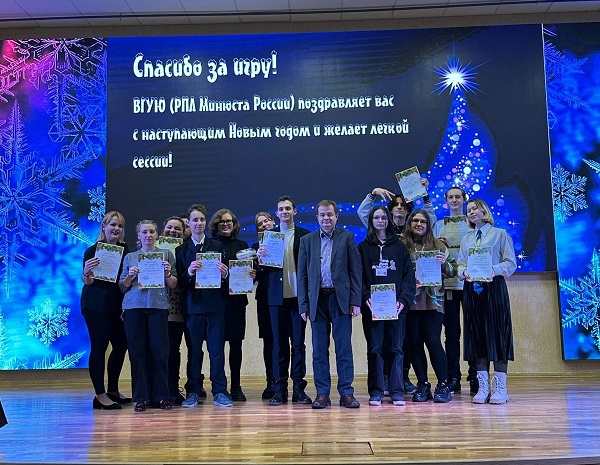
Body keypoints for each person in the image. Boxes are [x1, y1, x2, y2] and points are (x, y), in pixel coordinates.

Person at [357, 181, 434, 395]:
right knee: (377, 345)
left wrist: (424, 195)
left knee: (401, 343)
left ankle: (400, 381)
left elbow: (430, 220)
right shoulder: (366, 244)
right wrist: (372, 193)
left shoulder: (407, 236)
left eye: (403, 205)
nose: (399, 208)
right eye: (395, 205)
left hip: (402, 300)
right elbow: (364, 213)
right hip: (375, 302)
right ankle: (381, 383)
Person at [298, 199, 362, 409]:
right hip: (317, 301)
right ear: (317, 217)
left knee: (344, 349)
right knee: (319, 350)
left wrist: (356, 301)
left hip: (340, 299)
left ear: (336, 216)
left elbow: (355, 272)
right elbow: (302, 276)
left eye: (330, 214)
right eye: (322, 215)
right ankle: (322, 394)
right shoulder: (307, 241)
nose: (326, 218)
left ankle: (346, 393)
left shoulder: (347, 237)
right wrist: (303, 305)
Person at [457, 198, 516, 405]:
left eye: (475, 208)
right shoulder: (467, 239)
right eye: (468, 210)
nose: (471, 212)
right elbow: (460, 264)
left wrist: (493, 270)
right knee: (477, 335)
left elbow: (510, 263)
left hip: (494, 288)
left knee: (498, 334)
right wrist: (464, 272)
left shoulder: (500, 234)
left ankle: (501, 388)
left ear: (484, 211)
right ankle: (483, 387)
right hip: (472, 289)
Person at [176, 204, 233, 407]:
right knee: (194, 351)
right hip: (193, 308)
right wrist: (190, 272)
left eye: (201, 219)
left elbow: (226, 279)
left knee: (216, 351)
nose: (199, 223)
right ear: (189, 224)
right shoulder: (181, 250)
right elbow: (180, 283)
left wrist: (225, 273)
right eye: (195, 220)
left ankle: (220, 391)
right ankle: (193, 390)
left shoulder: (216, 246)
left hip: (215, 306)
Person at [358, 206, 416, 406]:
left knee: (396, 348)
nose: (380, 221)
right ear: (371, 221)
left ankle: (397, 391)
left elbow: (408, 277)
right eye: (376, 217)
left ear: (388, 220)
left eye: (384, 217)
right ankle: (376, 391)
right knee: (375, 348)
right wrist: (365, 297)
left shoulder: (399, 247)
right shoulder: (363, 248)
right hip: (372, 307)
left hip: (396, 308)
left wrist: (403, 300)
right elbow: (358, 277)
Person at [257, 196, 312, 406]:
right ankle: (279, 389)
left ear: (294, 211)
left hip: (298, 299)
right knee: (278, 345)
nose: (284, 212)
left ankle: (299, 389)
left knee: (298, 345)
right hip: (276, 299)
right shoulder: (269, 237)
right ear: (277, 213)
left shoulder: (305, 235)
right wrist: (260, 259)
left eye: (288, 208)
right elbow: (262, 272)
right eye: (281, 209)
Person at [119, 219, 177, 412]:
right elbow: (122, 286)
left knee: (160, 353)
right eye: (144, 232)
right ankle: (141, 398)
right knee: (137, 353)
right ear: (138, 235)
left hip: (158, 307)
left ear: (157, 234)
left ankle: (162, 396)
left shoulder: (166, 254)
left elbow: (173, 284)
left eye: (152, 231)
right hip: (133, 308)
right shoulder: (130, 257)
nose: (148, 235)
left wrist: (167, 274)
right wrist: (130, 275)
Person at [402, 210, 455, 403]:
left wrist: (444, 264)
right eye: (415, 221)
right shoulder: (402, 245)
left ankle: (443, 384)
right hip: (411, 302)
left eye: (423, 221)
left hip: (434, 302)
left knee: (433, 341)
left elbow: (453, 270)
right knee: (415, 343)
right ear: (410, 223)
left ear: (428, 225)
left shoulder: (438, 245)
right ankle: (423, 384)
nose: (419, 224)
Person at [80, 211, 130, 410]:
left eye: (120, 226)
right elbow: (88, 281)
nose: (116, 229)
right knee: (99, 347)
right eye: (113, 225)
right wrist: (86, 273)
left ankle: (113, 390)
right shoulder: (92, 251)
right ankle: (100, 395)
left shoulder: (125, 250)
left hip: (116, 305)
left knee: (121, 345)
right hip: (95, 305)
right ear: (104, 226)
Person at [432, 186, 478, 395]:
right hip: (448, 286)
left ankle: (475, 375)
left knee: (473, 331)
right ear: (446, 200)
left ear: (464, 199)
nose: (454, 200)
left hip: (470, 284)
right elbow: (431, 251)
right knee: (451, 334)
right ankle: (453, 377)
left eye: (458, 196)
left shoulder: (472, 224)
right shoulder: (439, 225)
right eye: (450, 197)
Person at [209, 208, 256, 402]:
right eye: (221, 222)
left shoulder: (242, 246)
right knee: (217, 347)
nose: (225, 224)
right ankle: (219, 387)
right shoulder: (210, 246)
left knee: (236, 345)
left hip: (237, 303)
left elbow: (249, 275)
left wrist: (253, 275)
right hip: (217, 302)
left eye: (229, 221)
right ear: (216, 225)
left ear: (234, 224)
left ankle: (236, 386)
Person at [161, 216, 193, 404]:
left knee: (173, 349)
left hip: (178, 308)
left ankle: (173, 389)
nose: (173, 231)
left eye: (177, 229)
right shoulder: (153, 248)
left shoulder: (187, 250)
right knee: (158, 350)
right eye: (169, 227)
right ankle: (157, 390)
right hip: (156, 306)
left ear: (184, 232)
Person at [252, 211, 276, 399]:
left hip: (286, 296)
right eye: (260, 224)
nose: (264, 224)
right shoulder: (254, 248)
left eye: (267, 220)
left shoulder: (287, 241)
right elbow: (253, 276)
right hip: (265, 299)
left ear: (273, 222)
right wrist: (258, 262)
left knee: (287, 341)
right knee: (269, 341)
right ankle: (271, 382)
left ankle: (289, 382)